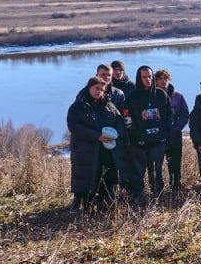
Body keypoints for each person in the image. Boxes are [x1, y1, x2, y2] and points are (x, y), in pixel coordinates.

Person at [67, 77, 124, 212]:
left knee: (107, 176)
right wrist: (96, 136)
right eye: (96, 88)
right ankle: (82, 203)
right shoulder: (79, 105)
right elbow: (74, 126)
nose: (99, 92)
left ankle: (106, 201)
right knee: (85, 177)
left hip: (106, 149)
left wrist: (117, 134)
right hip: (85, 149)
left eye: (102, 89)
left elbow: (119, 121)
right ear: (89, 87)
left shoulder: (108, 105)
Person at [124, 66, 172, 204]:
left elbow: (169, 115)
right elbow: (126, 117)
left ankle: (159, 196)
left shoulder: (161, 95)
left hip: (157, 141)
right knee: (138, 172)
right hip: (138, 143)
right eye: (144, 77)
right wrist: (135, 136)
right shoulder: (131, 97)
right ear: (139, 78)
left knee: (157, 170)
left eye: (150, 76)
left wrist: (164, 133)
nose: (148, 79)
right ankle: (138, 196)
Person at [154, 69, 189, 194]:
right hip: (157, 135)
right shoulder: (153, 95)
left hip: (174, 135)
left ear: (169, 80)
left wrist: (176, 128)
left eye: (165, 79)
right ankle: (157, 188)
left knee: (175, 161)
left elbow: (185, 114)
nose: (163, 81)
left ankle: (175, 186)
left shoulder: (178, 96)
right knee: (156, 163)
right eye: (160, 79)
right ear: (156, 81)